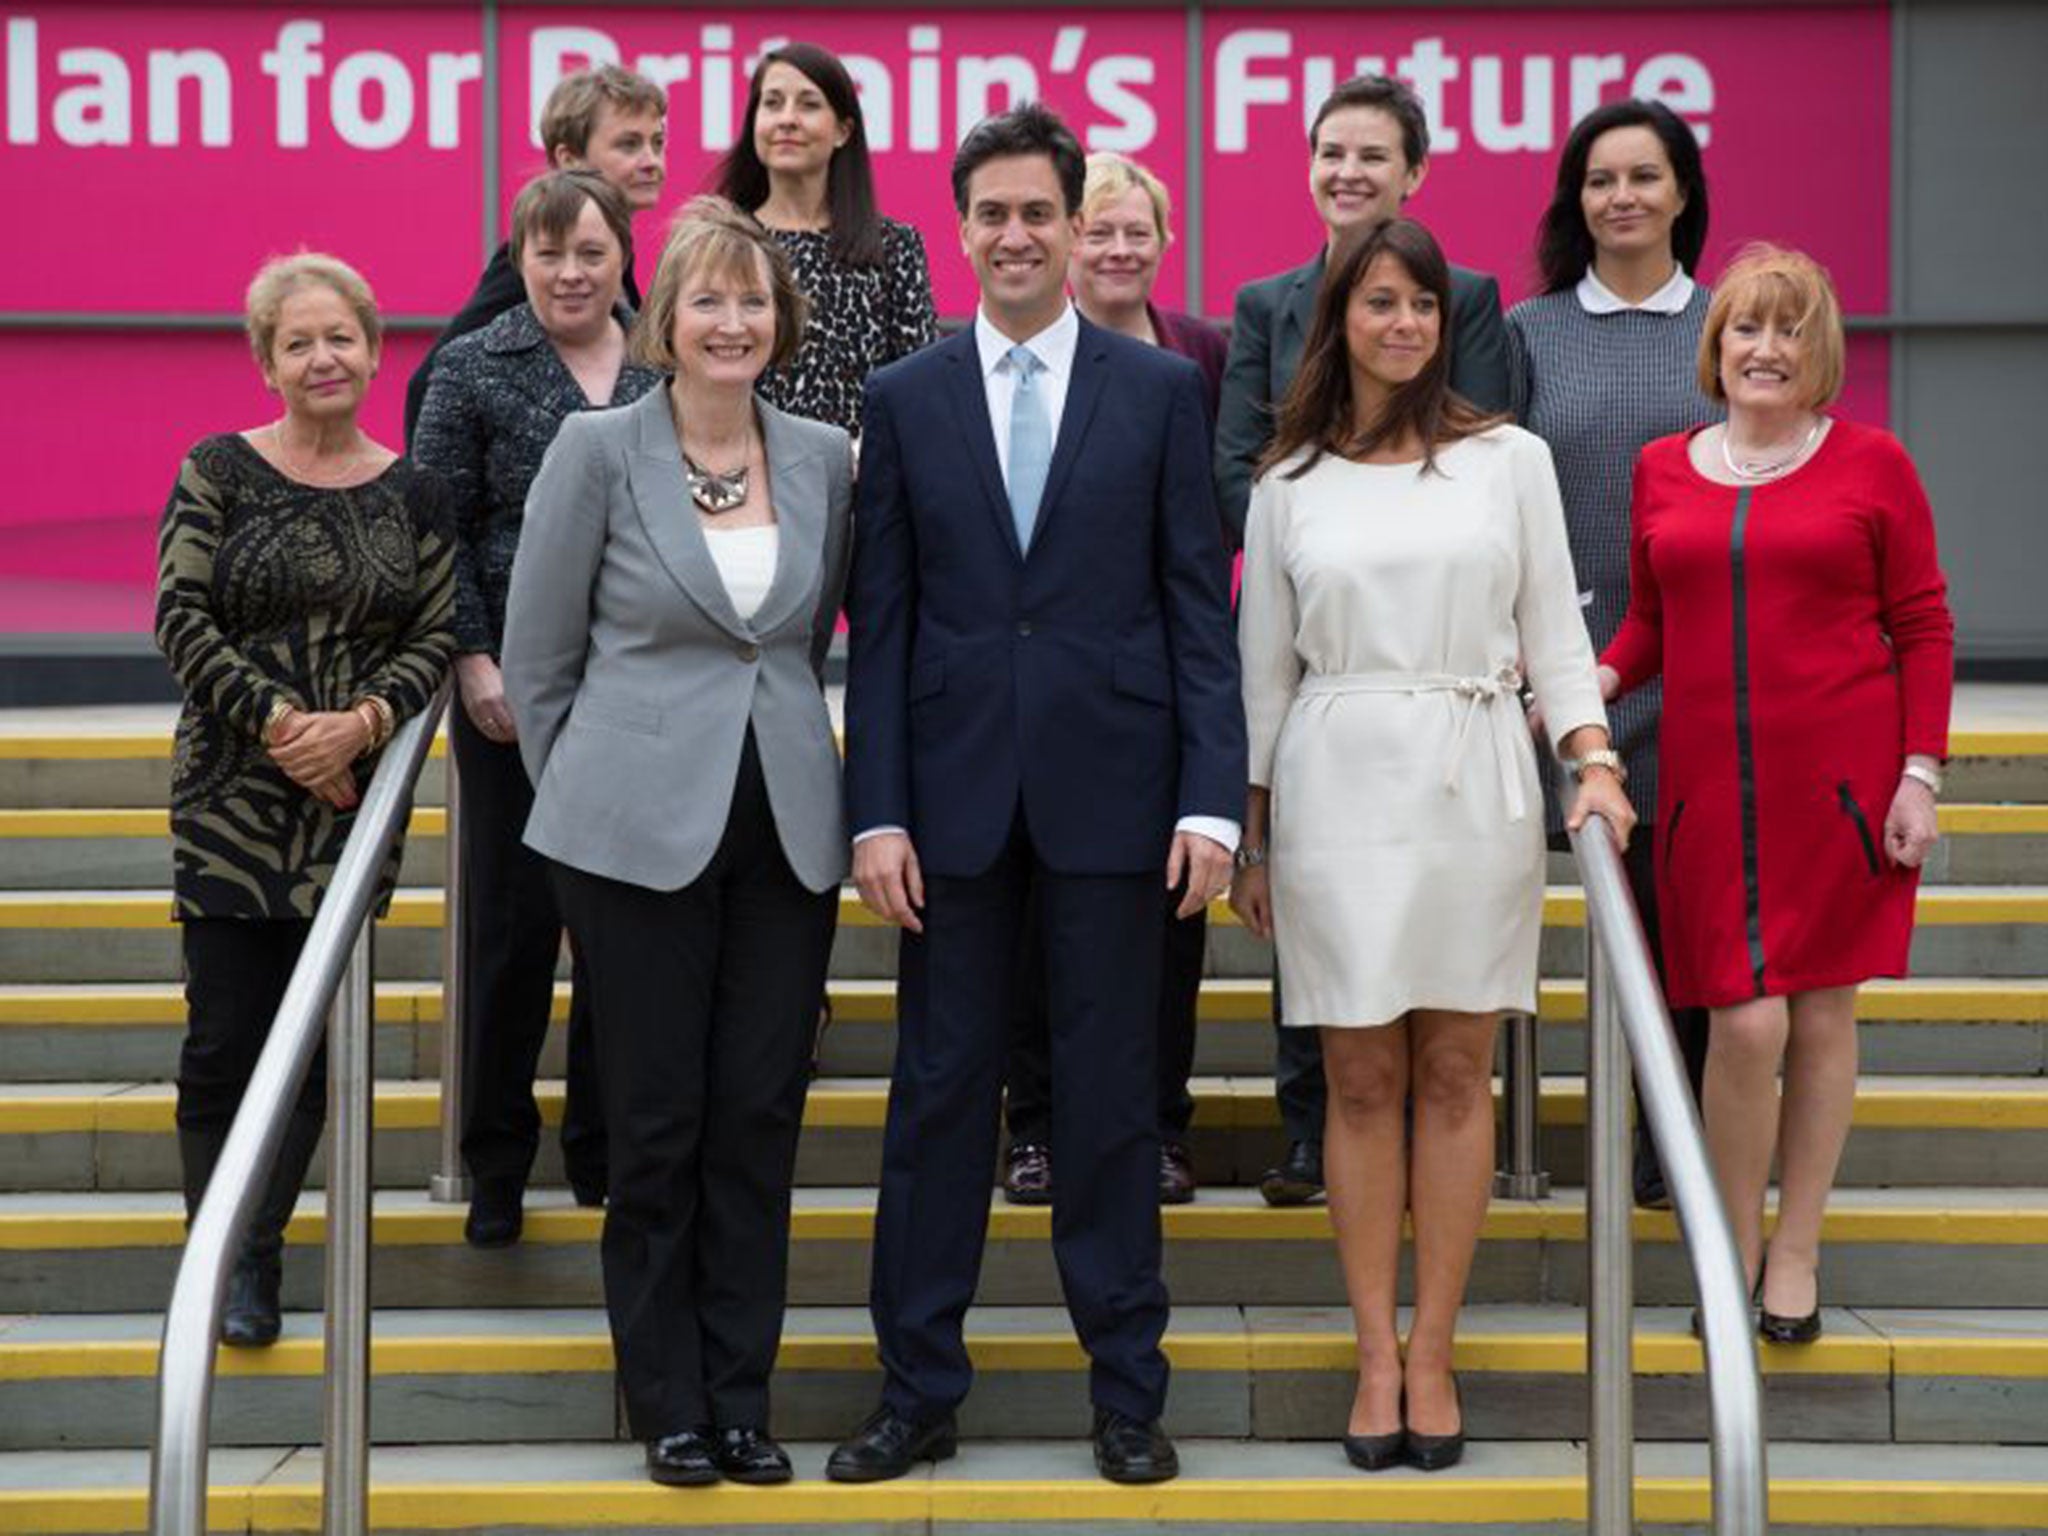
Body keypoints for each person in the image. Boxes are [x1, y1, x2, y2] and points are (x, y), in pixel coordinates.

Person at [832, 104, 1245, 1488]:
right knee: (937, 1098)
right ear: (963, 232)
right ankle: (916, 1390)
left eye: (1037, 213)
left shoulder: (1161, 394)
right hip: (945, 814)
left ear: (1078, 227)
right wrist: (874, 811)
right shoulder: (903, 396)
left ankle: (1128, 1391)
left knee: (1114, 1102)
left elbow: (1200, 607)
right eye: (991, 214)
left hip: (1119, 803)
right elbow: (877, 624)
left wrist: (1213, 803)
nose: (1015, 235)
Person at [1231, 217, 1631, 1472]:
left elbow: (1553, 635)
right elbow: (1262, 677)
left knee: (1457, 1070)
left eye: (1419, 305)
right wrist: (1249, 828)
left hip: (1471, 779)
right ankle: (1369, 1355)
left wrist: (1593, 758)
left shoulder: (1506, 459)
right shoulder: (1284, 484)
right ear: (1336, 318)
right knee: (1357, 1078)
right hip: (1334, 781)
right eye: (1377, 302)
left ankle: (1434, 1351)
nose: (1401, 323)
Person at [501, 196, 851, 1487]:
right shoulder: (598, 451)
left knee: (757, 1116)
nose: (731, 321)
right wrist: (589, 809)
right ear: (667, 319)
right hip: (629, 839)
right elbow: (539, 668)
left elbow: (803, 643)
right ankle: (671, 1405)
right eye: (706, 299)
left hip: (787, 834)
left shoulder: (821, 455)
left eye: (752, 301)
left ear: (780, 321)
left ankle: (743, 1398)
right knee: (654, 1125)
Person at [1599, 245, 1954, 1344]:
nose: (1764, 349)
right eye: (1746, 329)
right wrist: (1589, 688)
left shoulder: (1872, 464)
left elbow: (1921, 625)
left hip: (1838, 789)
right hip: (1707, 794)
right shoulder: (1662, 465)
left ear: (1818, 353)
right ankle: (1728, 1244)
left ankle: (1792, 1248)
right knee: (1740, 1026)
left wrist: (1918, 775)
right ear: (1715, 347)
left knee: (1817, 1011)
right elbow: (1652, 620)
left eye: (1788, 331)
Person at [1213, 73, 1512, 1207]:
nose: (1347, 172)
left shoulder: (1464, 296)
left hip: (1437, 683)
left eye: (1370, 156)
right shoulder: (1263, 304)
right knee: (1322, 920)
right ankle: (1309, 1129)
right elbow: (1234, 461)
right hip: (1322, 632)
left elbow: (1471, 445)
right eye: (1328, 152)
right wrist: (1319, 532)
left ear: (1413, 173)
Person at [157, 253, 454, 1346]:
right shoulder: (218, 470)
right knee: (221, 1041)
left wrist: (363, 726)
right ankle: (226, 1258)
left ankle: (261, 1247)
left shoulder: (415, 491)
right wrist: (285, 729)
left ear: (374, 351)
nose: (323, 357)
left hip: (348, 809)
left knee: (308, 1051)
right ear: (267, 362)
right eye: (299, 342)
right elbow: (180, 618)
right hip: (230, 801)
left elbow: (435, 632)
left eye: (341, 337)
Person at [412, 171, 662, 1246]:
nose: (570, 273)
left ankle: (599, 1149)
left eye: (591, 252)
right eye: (548, 252)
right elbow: (437, 531)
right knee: (515, 932)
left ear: (621, 258)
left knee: (622, 929)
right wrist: (470, 658)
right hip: (512, 690)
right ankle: (497, 1159)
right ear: (518, 257)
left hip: (646, 693)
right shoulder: (472, 366)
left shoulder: (667, 358)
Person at [1003, 151, 1228, 1208]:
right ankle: (1037, 1128)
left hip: (1149, 701)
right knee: (1032, 939)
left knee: (1162, 941)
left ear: (1164, 241)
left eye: (1136, 230)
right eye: (1097, 230)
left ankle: (1156, 1129)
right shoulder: (1016, 364)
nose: (1116, 249)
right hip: (1032, 710)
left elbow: (1203, 540)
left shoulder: (1201, 361)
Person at [1505, 98, 1717, 1209]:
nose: (1620, 198)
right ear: (1573, 199)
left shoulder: (1727, 327)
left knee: (1672, 929)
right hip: (1554, 678)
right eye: (1598, 180)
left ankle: (1662, 1141)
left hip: (1694, 676)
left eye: (1642, 177)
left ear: (1681, 192)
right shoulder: (1529, 333)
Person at [404, 64, 668, 445]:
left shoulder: (622, 259)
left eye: (657, 143)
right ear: (569, 159)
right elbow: (429, 385)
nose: (651, 161)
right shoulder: (527, 267)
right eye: (629, 145)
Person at [714, 41, 939, 435]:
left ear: (842, 131)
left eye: (808, 104)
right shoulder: (718, 244)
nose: (787, 119)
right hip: (746, 480)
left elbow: (920, 391)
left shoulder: (894, 247)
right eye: (772, 103)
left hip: (863, 482)